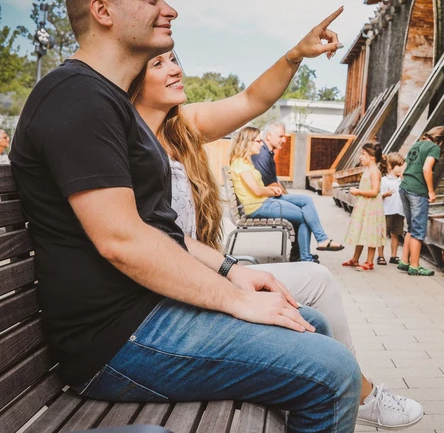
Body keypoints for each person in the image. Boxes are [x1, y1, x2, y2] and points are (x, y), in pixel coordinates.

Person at [10, 0, 360, 433]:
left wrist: (232, 272)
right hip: (115, 339)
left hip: (141, 313)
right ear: (103, 12)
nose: (169, 10)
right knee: (332, 373)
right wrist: (235, 299)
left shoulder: (109, 103)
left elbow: (158, 231)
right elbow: (123, 241)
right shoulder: (77, 97)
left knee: (313, 326)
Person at [129, 52, 424, 429]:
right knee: (323, 332)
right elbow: (148, 241)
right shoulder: (129, 138)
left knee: (313, 306)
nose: (176, 69)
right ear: (134, 78)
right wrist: (233, 287)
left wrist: (296, 55)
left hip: (197, 269)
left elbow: (252, 99)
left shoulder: (176, 128)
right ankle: (357, 391)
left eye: (175, 59)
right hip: (172, 294)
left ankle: (354, 388)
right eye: (159, 64)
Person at [230, 127, 322, 263]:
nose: (261, 144)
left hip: (263, 202)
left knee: (306, 200)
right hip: (257, 207)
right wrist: (272, 190)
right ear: (248, 142)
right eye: (258, 141)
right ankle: (306, 258)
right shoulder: (240, 164)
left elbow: (258, 189)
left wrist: (269, 190)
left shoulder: (245, 162)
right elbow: (257, 191)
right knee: (304, 216)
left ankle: (321, 241)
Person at [251, 121, 343, 258]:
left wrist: (287, 196)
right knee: (305, 208)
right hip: (265, 201)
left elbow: (274, 181)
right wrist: (286, 197)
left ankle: (303, 252)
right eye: (281, 136)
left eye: (284, 137)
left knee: (305, 204)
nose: (284, 140)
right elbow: (270, 185)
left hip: (269, 198)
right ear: (269, 136)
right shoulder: (262, 154)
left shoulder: (267, 152)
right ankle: (309, 250)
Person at [397, 127, 444, 276]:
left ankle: (404, 261)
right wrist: (430, 191)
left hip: (404, 188)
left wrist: (408, 184)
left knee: (410, 227)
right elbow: (427, 169)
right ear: (443, 141)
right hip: (418, 191)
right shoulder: (434, 147)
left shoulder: (416, 144)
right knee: (418, 231)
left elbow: (403, 170)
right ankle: (415, 266)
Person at [341, 142, 386, 271]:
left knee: (371, 232)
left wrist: (358, 192)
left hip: (371, 207)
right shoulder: (367, 170)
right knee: (362, 231)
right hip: (365, 206)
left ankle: (369, 261)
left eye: (363, 154)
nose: (360, 157)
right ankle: (355, 258)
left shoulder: (374, 172)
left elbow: (374, 191)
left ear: (372, 156)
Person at [381, 152, 405, 264]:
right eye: (399, 166)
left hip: (399, 211)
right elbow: (378, 195)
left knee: (396, 234)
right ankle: (380, 256)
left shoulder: (402, 180)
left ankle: (393, 256)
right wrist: (385, 194)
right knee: (382, 234)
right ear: (391, 166)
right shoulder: (384, 180)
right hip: (386, 211)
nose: (401, 168)